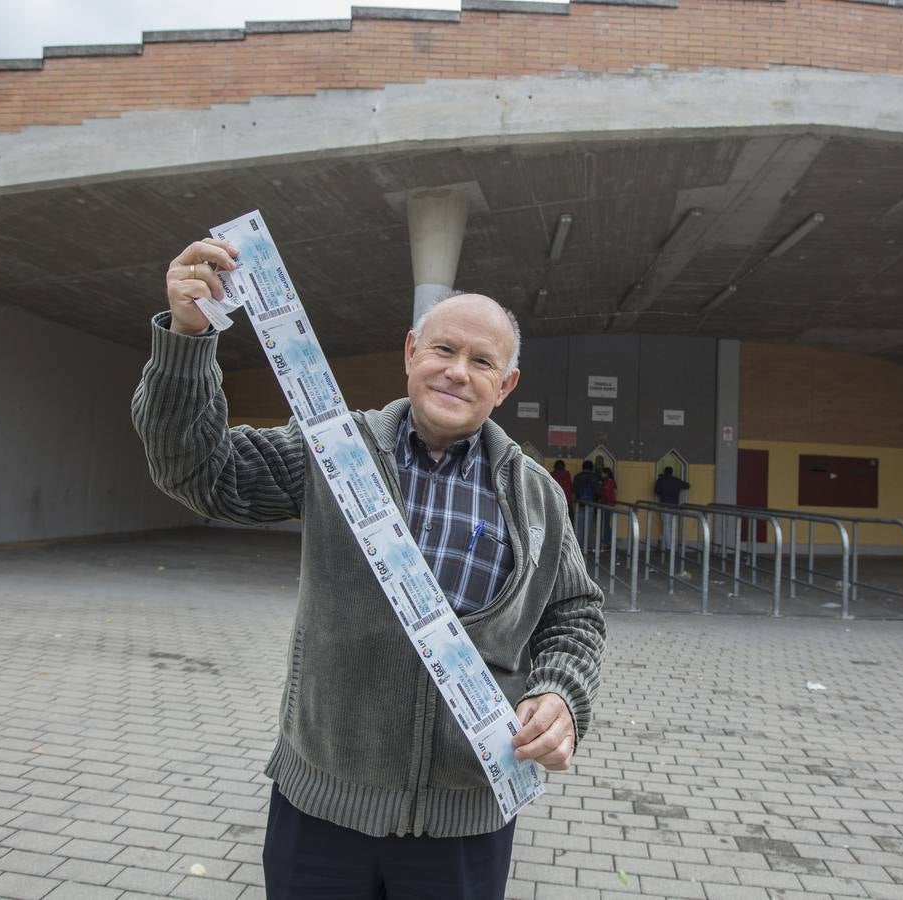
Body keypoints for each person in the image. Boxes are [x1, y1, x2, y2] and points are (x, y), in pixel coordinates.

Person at [132, 238, 606, 900]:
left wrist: (560, 694)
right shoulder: (333, 449)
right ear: (411, 352)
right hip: (321, 813)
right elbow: (198, 472)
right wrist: (188, 340)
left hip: (465, 824)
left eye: (481, 361)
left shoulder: (536, 495)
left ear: (506, 385)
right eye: (443, 350)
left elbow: (574, 613)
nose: (457, 371)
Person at [653, 465, 690, 555]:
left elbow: (656, 491)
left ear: (665, 472)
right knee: (672, 526)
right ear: (672, 472)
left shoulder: (661, 480)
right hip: (674, 506)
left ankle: (668, 546)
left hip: (664, 505)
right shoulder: (676, 480)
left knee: (666, 526)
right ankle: (668, 544)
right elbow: (687, 485)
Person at [571, 460, 601, 550]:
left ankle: (578, 546)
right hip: (590, 503)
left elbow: (574, 490)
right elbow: (597, 491)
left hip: (579, 503)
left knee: (579, 525)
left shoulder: (577, 477)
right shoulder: (595, 477)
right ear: (591, 468)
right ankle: (586, 545)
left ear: (583, 467)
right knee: (588, 525)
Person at [597, 467, 617, 550]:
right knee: (606, 523)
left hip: (607, 504)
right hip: (608, 504)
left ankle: (607, 542)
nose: (601, 474)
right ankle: (607, 541)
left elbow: (606, 494)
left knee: (605, 524)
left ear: (606, 473)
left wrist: (599, 491)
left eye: (602, 473)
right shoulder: (609, 481)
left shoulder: (608, 482)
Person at [550, 459, 574, 524]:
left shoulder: (552, 474)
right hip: (567, 500)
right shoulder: (567, 474)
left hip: (556, 501)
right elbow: (570, 487)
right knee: (568, 521)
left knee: (557, 520)